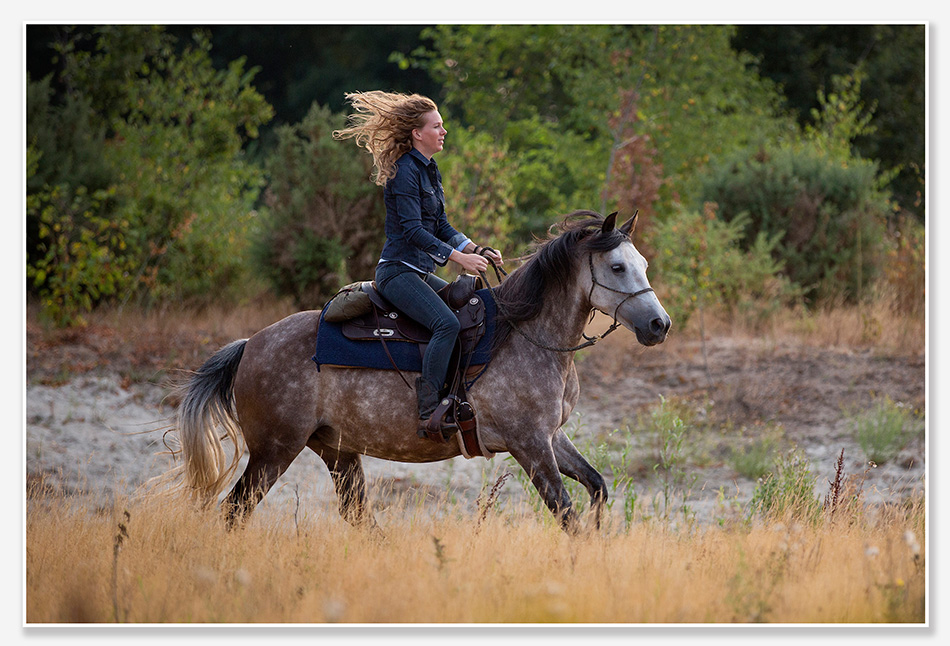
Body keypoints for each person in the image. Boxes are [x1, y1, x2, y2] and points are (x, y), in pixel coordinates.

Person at [333, 91, 503, 438]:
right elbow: (412, 231)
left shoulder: (429, 169)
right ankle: (428, 411)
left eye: (442, 126)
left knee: (470, 312)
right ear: (417, 133)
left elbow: (440, 225)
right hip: (397, 272)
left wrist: (477, 249)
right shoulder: (404, 172)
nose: (444, 132)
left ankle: (454, 394)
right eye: (437, 126)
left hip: (420, 272)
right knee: (446, 325)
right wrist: (458, 259)